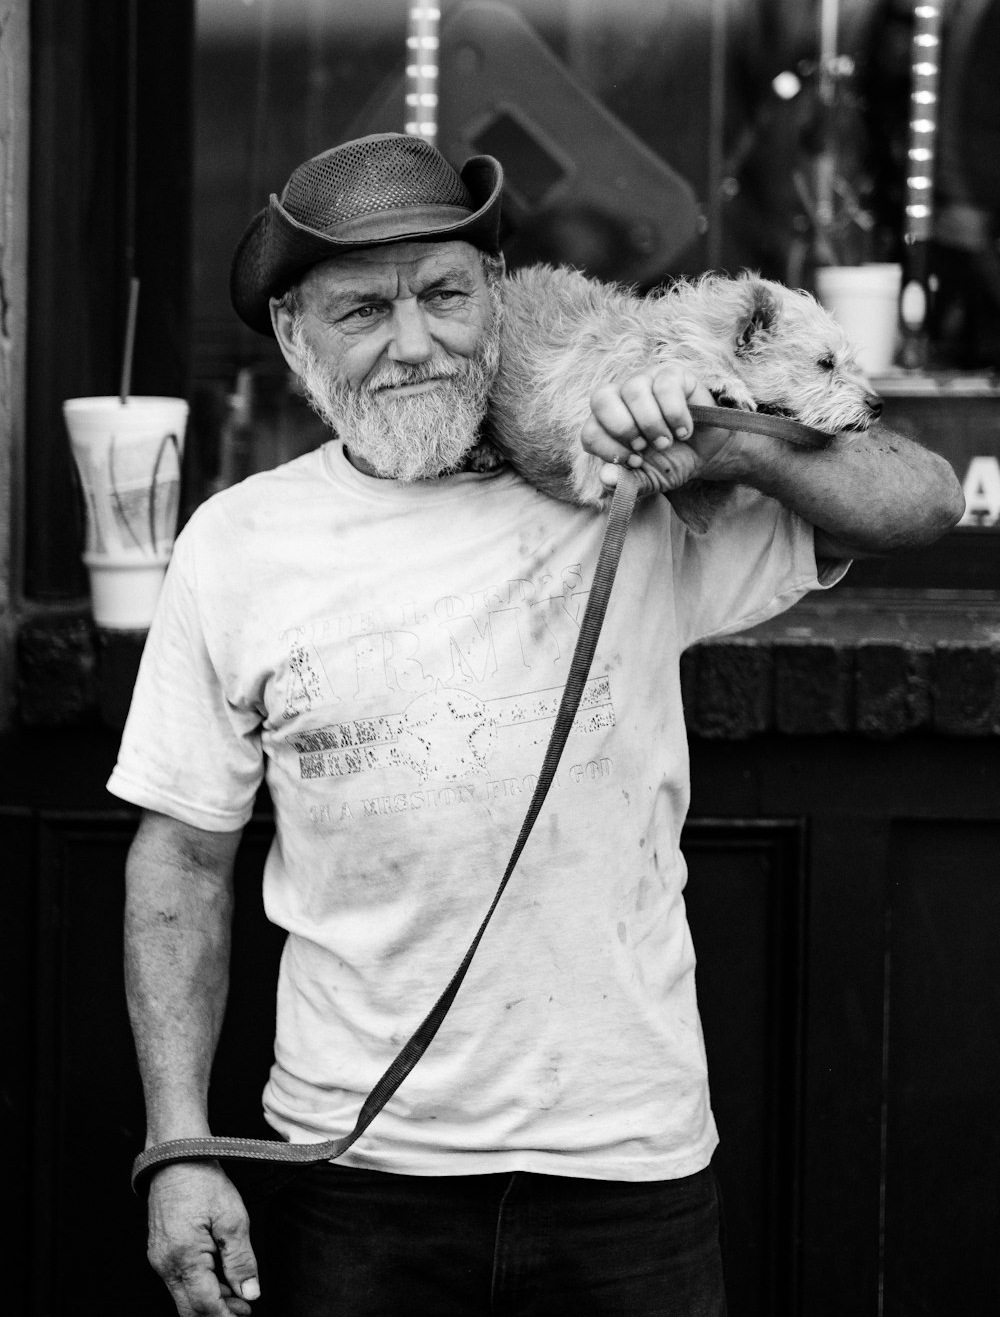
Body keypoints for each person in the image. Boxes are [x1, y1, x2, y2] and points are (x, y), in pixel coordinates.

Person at [113, 133, 964, 1317]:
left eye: (446, 295)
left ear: (496, 302)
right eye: (363, 310)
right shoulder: (238, 545)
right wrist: (178, 1143)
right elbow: (182, 858)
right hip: (354, 1172)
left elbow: (920, 504)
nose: (415, 343)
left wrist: (720, 436)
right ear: (298, 341)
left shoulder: (637, 484)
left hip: (625, 1161)